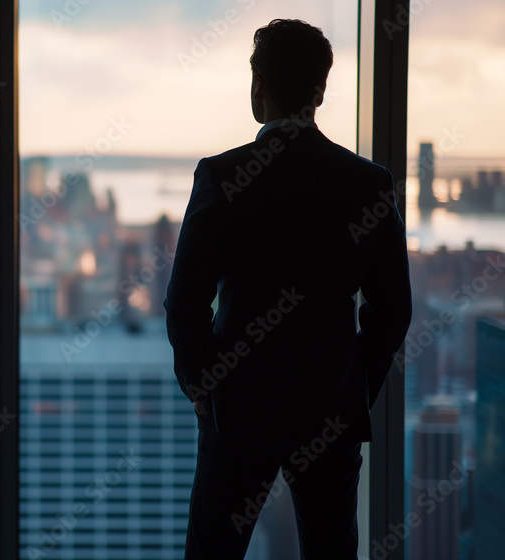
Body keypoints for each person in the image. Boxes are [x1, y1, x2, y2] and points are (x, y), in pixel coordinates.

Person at [163, 19, 412, 559]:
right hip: (328, 405)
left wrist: (204, 386)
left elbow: (183, 302)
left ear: (259, 90)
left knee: (214, 552)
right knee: (330, 549)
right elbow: (393, 310)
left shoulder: (222, 176)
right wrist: (354, 383)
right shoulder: (367, 183)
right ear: (320, 90)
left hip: (239, 405)